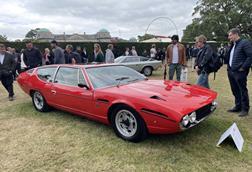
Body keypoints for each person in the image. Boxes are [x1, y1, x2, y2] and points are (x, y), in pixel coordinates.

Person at [226, 28, 252, 117]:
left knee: (242, 90)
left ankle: (245, 109)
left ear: (236, 34)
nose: (229, 37)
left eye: (230, 35)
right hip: (231, 71)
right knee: (235, 90)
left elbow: (250, 56)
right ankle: (238, 106)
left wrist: (243, 67)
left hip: (240, 72)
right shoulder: (233, 44)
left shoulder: (245, 43)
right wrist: (229, 68)